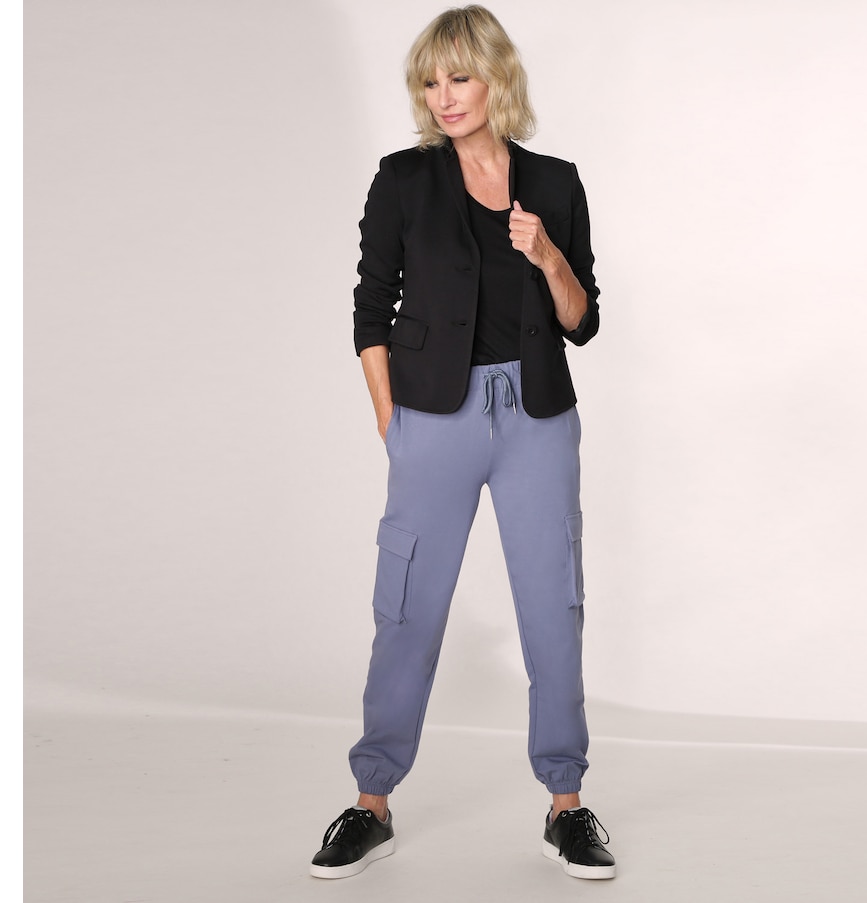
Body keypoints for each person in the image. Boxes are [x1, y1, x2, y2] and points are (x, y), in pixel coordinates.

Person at [310, 5, 614, 880]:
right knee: (407, 606)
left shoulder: (555, 183)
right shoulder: (403, 180)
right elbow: (370, 309)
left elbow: (583, 319)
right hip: (433, 418)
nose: (443, 97)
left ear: (496, 79)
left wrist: (548, 255)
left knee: (553, 606)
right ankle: (372, 802)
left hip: (537, 417)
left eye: (460, 77)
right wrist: (393, 424)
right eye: (430, 81)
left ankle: (566, 804)